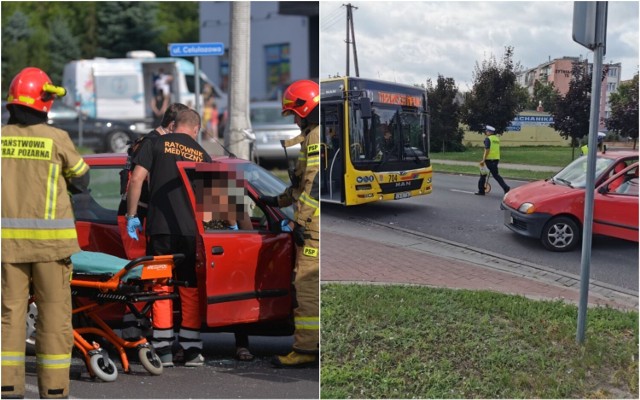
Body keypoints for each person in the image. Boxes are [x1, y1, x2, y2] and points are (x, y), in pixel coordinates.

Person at [1, 67, 90, 399]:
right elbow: (82, 180)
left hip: (7, 249)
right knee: (53, 319)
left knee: (9, 318)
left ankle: (7, 388)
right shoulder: (57, 139)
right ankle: (53, 391)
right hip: (51, 250)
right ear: (45, 101)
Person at [126, 109, 212, 368]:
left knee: (161, 286)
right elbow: (215, 202)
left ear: (174, 125)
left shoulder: (155, 143)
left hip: (160, 229)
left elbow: (136, 179)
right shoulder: (202, 154)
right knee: (189, 288)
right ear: (195, 128)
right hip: (190, 232)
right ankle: (192, 350)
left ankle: (163, 350)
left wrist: (132, 215)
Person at [261, 80, 320, 368]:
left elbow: (314, 187)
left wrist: (300, 221)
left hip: (313, 229)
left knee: (306, 285)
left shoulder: (316, 136)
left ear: (304, 108)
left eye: (295, 115)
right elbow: (299, 187)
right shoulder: (314, 134)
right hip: (313, 224)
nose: (295, 121)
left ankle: (307, 349)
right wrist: (276, 201)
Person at [476, 125, 510, 196]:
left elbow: (487, 149)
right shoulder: (496, 139)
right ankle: (505, 187)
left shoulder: (488, 139)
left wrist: (483, 159)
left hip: (488, 160)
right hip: (496, 159)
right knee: (496, 175)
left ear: (489, 132)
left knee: (483, 175)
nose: (486, 132)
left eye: (486, 131)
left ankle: (481, 191)